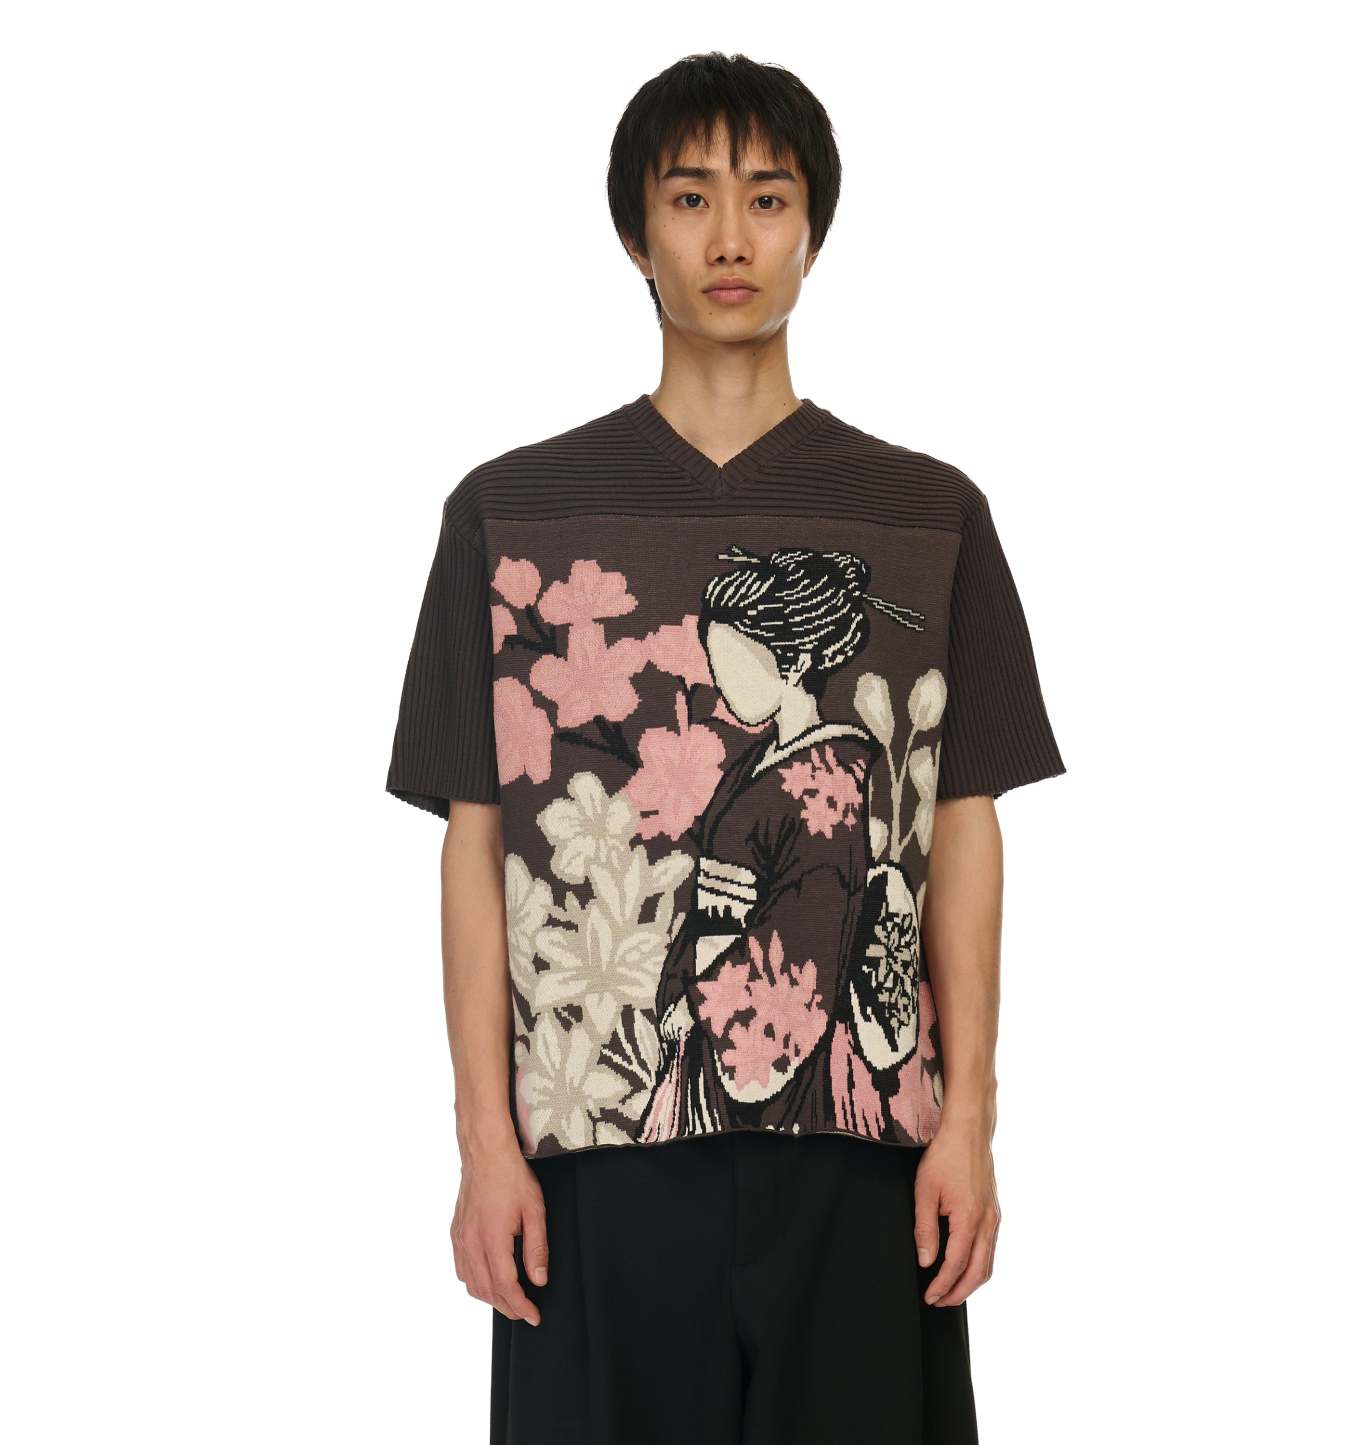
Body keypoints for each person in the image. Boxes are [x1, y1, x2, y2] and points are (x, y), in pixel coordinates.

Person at [385, 50, 1065, 1445]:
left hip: (864, 1149)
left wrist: (969, 1122)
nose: (732, 237)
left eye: (768, 197)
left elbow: (962, 832)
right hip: (598, 1151)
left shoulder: (927, 514)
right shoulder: (510, 513)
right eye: (690, 197)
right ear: (635, 235)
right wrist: (484, 1143)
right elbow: (474, 843)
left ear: (814, 229)